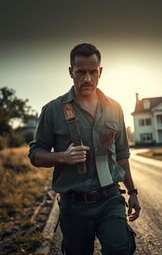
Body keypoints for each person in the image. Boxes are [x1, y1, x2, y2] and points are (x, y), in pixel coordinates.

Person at [28, 43, 141, 255]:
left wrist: (133, 193)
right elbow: (35, 154)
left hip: (110, 199)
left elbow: (123, 156)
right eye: (81, 72)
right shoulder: (53, 109)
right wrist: (63, 157)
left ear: (101, 72)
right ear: (71, 72)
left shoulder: (114, 108)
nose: (87, 79)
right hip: (74, 205)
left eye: (93, 72)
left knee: (120, 249)